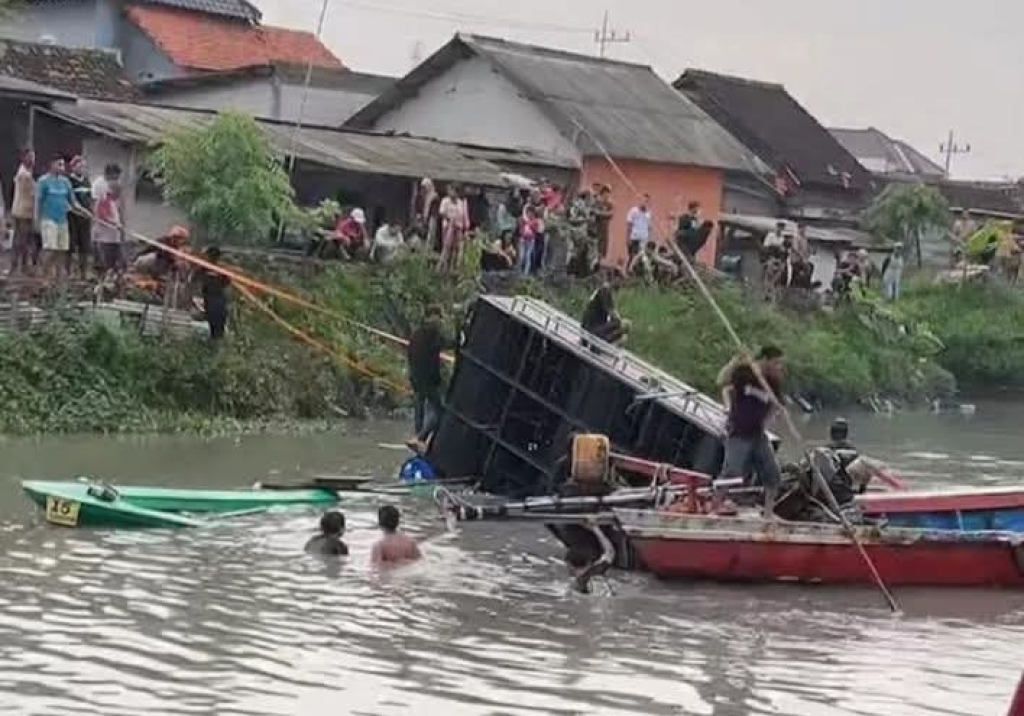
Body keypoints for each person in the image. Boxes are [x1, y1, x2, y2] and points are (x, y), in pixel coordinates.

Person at [715, 346, 785, 519]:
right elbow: (721, 381)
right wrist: (734, 361)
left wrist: (766, 423)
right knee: (731, 472)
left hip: (758, 435)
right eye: (775, 363)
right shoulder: (745, 373)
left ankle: (768, 512)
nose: (778, 367)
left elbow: (775, 406)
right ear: (765, 361)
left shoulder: (773, 382)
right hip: (738, 432)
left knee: (773, 474)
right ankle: (716, 505)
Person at [406, 306, 449, 453]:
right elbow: (445, 343)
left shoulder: (417, 333)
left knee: (420, 409)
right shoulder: (431, 334)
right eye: (438, 317)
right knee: (440, 411)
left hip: (417, 379)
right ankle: (421, 438)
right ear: (430, 317)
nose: (439, 321)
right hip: (427, 380)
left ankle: (418, 438)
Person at [36, 155, 81, 279]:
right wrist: (36, 220)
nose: (62, 167)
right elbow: (38, 202)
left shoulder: (65, 182)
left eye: (63, 165)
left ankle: (59, 277)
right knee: (50, 249)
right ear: (52, 164)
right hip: (48, 219)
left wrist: (85, 212)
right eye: (59, 164)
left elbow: (73, 202)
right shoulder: (43, 181)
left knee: (62, 250)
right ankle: (43, 275)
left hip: (63, 220)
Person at [565, 517, 616, 595]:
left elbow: (610, 552)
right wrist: (595, 529)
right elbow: (610, 551)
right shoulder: (596, 570)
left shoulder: (580, 580)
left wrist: (595, 528)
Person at [9, 149, 37, 276]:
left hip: (21, 210)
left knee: (21, 240)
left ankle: (19, 266)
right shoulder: (24, 175)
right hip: (23, 211)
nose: (33, 160)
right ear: (24, 158)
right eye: (30, 157)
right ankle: (20, 266)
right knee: (22, 241)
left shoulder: (25, 172)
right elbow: (32, 193)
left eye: (33, 157)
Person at [581, 275, 630, 345]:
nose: (622, 283)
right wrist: (622, 322)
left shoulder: (602, 290)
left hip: (592, 328)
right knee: (625, 325)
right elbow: (613, 313)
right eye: (621, 280)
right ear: (615, 278)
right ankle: (603, 345)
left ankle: (606, 344)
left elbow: (611, 313)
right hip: (592, 329)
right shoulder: (604, 291)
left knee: (623, 334)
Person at [67, 155, 92, 278]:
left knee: (85, 246)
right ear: (73, 167)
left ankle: (83, 272)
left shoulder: (87, 181)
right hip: (73, 217)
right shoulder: (69, 181)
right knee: (71, 245)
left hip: (85, 218)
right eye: (79, 166)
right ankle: (69, 271)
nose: (82, 168)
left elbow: (90, 199)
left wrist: (90, 212)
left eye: (83, 166)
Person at [198, 246, 230, 341]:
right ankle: (214, 340)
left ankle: (216, 341)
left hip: (217, 300)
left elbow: (226, 282)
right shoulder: (204, 268)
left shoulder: (220, 269)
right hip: (210, 300)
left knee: (218, 326)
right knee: (212, 325)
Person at [438, 184, 468, 273]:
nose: (452, 193)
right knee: (447, 247)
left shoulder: (460, 202)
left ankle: (453, 268)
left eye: (454, 191)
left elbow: (462, 215)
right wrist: (450, 219)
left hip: (458, 227)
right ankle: (442, 267)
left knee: (456, 248)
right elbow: (442, 213)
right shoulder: (445, 201)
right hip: (448, 227)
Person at [625, 194, 653, 259]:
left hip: (644, 241)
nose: (645, 203)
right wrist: (628, 238)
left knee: (642, 258)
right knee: (633, 258)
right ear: (640, 201)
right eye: (644, 201)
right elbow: (629, 224)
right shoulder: (633, 211)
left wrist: (649, 240)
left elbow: (649, 228)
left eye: (647, 201)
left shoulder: (648, 214)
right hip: (634, 239)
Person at [592, 185, 614, 261]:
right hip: (596, 227)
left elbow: (611, 214)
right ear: (602, 193)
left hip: (604, 228)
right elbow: (594, 211)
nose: (607, 195)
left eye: (608, 193)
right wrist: (603, 213)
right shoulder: (597, 202)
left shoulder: (610, 204)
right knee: (594, 244)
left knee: (602, 247)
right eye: (605, 193)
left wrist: (600, 213)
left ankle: (598, 261)